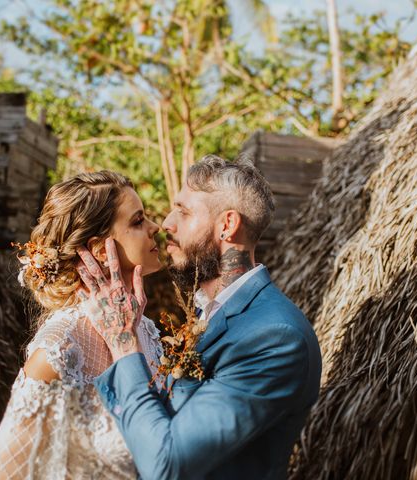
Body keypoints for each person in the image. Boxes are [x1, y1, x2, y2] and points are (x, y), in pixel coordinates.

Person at [77, 154, 322, 480]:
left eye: (183, 211)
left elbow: (167, 466)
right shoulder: (206, 312)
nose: (166, 224)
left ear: (227, 225)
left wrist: (124, 341)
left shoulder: (275, 337)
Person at [0, 171, 163, 479]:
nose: (155, 227)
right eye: (138, 221)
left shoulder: (146, 331)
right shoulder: (59, 348)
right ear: (103, 249)